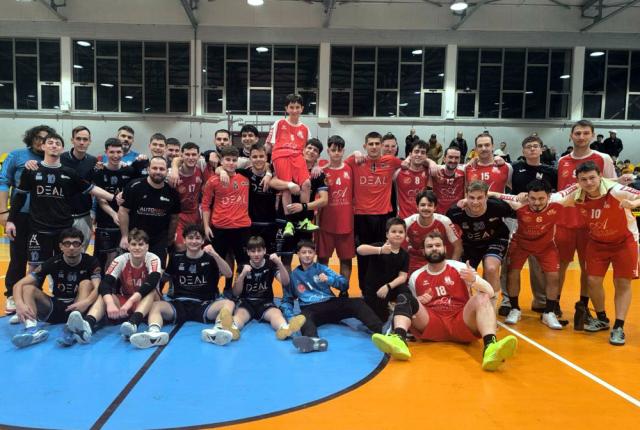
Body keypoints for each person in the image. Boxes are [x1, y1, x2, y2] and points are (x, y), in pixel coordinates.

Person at [370, 231, 518, 371]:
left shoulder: (460, 268)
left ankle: (490, 347)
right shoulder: (416, 276)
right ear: (423, 251)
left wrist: (474, 280)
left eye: (437, 245)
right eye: (429, 246)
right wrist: (419, 300)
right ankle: (399, 339)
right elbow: (414, 309)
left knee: (482, 296)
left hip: (461, 321)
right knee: (405, 297)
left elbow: (490, 292)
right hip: (432, 324)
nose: (434, 248)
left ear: (445, 248)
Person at [5, 133, 115, 269]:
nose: (54, 146)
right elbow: (20, 197)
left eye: (58, 144)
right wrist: (10, 220)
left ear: (62, 149)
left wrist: (114, 197)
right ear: (43, 146)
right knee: (35, 270)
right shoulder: (31, 170)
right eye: (50, 143)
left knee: (64, 268)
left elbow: (91, 188)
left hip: (63, 230)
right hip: (38, 230)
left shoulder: (69, 173)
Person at [128, 224, 237, 348]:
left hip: (205, 304)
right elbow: (165, 278)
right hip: (179, 303)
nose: (194, 241)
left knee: (229, 303)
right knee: (155, 305)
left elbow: (228, 274)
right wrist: (156, 274)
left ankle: (218, 330)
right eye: (190, 238)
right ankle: (154, 333)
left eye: (197, 238)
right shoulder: (176, 257)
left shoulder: (211, 258)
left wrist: (215, 254)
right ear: (184, 240)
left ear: (203, 241)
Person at [555, 120, 618, 330]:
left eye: (585, 133)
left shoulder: (603, 159)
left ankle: (582, 306)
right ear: (571, 135)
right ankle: (554, 305)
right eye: (577, 133)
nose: (581, 137)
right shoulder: (563, 161)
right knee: (559, 266)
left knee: (587, 269)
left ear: (592, 135)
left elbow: (612, 188)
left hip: (591, 224)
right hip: (564, 223)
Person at [568, 161, 640, 345]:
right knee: (592, 281)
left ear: (600, 176)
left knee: (622, 283)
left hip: (624, 242)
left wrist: (633, 203)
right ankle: (602, 319)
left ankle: (619, 326)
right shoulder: (576, 194)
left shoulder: (616, 190)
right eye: (584, 179)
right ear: (578, 181)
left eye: (592, 178)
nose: (589, 182)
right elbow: (552, 198)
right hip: (597, 243)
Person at [489, 181, 567, 330]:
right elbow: (498, 195)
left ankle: (549, 312)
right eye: (533, 198)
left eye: (541, 199)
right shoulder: (519, 203)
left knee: (553, 276)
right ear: (527, 196)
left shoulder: (558, 200)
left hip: (546, 245)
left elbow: (577, 186)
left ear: (549, 196)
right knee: (512, 273)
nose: (536, 203)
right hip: (520, 244)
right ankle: (515, 309)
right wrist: (471, 198)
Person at [281, 240, 383, 353]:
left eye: (310, 252)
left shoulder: (322, 268)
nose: (307, 255)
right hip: (311, 308)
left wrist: (330, 280)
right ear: (298, 254)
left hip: (330, 303)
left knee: (357, 303)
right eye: (304, 252)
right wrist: (290, 317)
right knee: (302, 318)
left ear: (315, 254)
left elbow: (344, 285)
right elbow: (287, 299)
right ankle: (313, 341)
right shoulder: (293, 276)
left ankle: (383, 331)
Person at [66, 229, 163, 343]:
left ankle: (133, 323)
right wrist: (110, 303)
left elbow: (152, 281)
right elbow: (105, 283)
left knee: (151, 291)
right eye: (133, 244)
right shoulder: (121, 259)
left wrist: (131, 301)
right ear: (128, 246)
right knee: (105, 295)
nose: (137, 248)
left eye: (141, 244)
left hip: (147, 303)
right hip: (125, 301)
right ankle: (87, 325)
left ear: (147, 247)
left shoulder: (153, 258)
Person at [10, 228, 101, 348]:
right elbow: (18, 285)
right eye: (67, 243)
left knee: (86, 283)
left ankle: (72, 328)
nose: (71, 247)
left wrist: (87, 302)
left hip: (79, 308)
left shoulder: (91, 261)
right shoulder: (53, 262)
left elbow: (98, 287)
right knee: (28, 288)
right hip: (56, 307)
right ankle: (32, 329)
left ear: (81, 246)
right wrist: (19, 304)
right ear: (61, 246)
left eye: (76, 243)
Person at [0, 124, 51, 314]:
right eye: (38, 137)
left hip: (43, 216)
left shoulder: (51, 158)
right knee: (18, 256)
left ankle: (33, 293)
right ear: (31, 138)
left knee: (40, 257)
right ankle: (12, 295)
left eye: (45, 139)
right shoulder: (17, 155)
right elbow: (3, 182)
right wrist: (3, 212)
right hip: (20, 214)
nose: (41, 141)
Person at [345, 132, 403, 293]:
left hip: (384, 216)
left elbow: (411, 163)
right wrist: (354, 153)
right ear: (365, 146)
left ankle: (382, 290)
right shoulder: (356, 161)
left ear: (382, 146)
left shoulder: (391, 161)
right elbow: (337, 164)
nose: (374, 147)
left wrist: (431, 162)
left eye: (377, 143)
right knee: (363, 255)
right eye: (371, 144)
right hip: (361, 216)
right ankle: (365, 290)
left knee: (384, 253)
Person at [510, 135, 558, 313]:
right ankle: (508, 301)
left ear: (541, 149)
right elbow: (507, 189)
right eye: (528, 146)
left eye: (535, 146)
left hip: (541, 221)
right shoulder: (514, 168)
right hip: (516, 219)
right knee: (511, 265)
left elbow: (556, 194)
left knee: (539, 266)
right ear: (523, 150)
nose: (532, 149)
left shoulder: (551, 171)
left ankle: (541, 301)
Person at [447, 180, 515, 305]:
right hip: (469, 245)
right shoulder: (455, 212)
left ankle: (491, 307)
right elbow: (448, 232)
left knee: (491, 268)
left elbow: (519, 212)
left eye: (480, 198)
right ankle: (465, 305)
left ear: (486, 197)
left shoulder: (497, 206)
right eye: (471, 197)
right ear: (466, 196)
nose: (475, 202)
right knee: (463, 273)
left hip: (495, 240)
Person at [229, 236, 306, 341]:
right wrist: (242, 275)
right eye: (253, 251)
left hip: (265, 302)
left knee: (276, 314)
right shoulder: (242, 266)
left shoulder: (270, 264)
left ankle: (284, 329)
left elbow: (285, 282)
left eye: (259, 251)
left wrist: (279, 263)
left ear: (264, 251)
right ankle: (232, 330)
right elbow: (236, 293)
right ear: (248, 252)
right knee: (239, 316)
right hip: (247, 302)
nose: (256, 254)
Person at [269, 138, 328, 271]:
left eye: (315, 150)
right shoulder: (289, 165)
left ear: (318, 156)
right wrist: (288, 184)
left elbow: (324, 200)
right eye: (309, 148)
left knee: (306, 259)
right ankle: (288, 286)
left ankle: (304, 284)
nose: (311, 151)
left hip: (304, 222)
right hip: (285, 220)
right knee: (286, 259)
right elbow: (272, 182)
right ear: (303, 150)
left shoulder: (318, 174)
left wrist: (304, 207)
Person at [202, 145, 251, 297]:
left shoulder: (245, 178)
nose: (231, 163)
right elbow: (205, 205)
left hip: (241, 228)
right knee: (216, 261)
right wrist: (206, 226)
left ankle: (234, 290)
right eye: (227, 160)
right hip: (219, 228)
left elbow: (265, 167)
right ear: (221, 161)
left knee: (242, 262)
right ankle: (212, 290)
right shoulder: (213, 181)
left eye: (234, 160)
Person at [266, 93, 317, 236]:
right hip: (281, 155)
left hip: (298, 156)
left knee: (306, 184)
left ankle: (304, 220)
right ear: (286, 108)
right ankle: (289, 223)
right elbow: (269, 145)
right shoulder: (279, 123)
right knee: (287, 188)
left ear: (302, 109)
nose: (294, 110)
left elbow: (310, 149)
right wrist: (268, 168)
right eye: (291, 107)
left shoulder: (305, 129)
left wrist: (316, 164)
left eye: (297, 107)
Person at [119, 156, 181, 266]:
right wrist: (124, 236)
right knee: (132, 271)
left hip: (159, 240)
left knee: (157, 271)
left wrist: (170, 239)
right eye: (154, 168)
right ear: (148, 169)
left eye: (162, 169)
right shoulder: (134, 186)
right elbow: (123, 211)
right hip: (135, 238)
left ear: (167, 171)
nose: (158, 171)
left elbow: (174, 218)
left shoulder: (172, 193)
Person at [92, 139, 141, 272]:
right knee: (103, 259)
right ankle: (103, 282)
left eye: (118, 152)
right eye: (112, 152)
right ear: (106, 152)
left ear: (123, 153)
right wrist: (114, 214)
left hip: (125, 222)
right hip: (105, 221)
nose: (115, 155)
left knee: (122, 257)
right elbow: (100, 199)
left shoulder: (129, 171)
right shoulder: (99, 171)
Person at [356, 217, 410, 321]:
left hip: (390, 288)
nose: (397, 234)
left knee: (405, 290)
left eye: (401, 232)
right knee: (380, 319)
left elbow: (402, 277)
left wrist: (388, 286)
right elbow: (359, 250)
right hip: (374, 290)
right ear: (387, 234)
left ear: (405, 235)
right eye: (393, 231)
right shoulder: (379, 246)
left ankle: (402, 310)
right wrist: (380, 250)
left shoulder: (405, 255)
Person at [317, 135, 355, 281]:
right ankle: (322, 289)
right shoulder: (321, 171)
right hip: (326, 224)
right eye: (333, 150)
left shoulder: (350, 169)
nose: (336, 153)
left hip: (346, 225)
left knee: (345, 260)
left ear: (343, 151)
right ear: (328, 151)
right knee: (322, 259)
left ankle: (344, 290)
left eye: (339, 150)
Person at [404, 190, 461, 275]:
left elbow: (458, 246)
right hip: (416, 261)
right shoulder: (407, 222)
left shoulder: (445, 221)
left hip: (439, 259)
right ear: (417, 207)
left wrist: (452, 266)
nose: (426, 208)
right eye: (423, 205)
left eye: (430, 205)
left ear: (435, 208)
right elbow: (395, 244)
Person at [60, 126, 98, 251]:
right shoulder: (61, 158)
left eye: (85, 139)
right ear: (72, 140)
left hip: (84, 216)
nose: (82, 142)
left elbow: (94, 188)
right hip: (62, 216)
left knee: (81, 252)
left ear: (89, 141)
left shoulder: (93, 161)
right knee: (61, 253)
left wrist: (93, 212)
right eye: (78, 139)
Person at [171, 142, 209, 252]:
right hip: (179, 216)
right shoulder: (173, 174)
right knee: (180, 247)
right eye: (187, 154)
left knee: (198, 247)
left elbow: (216, 159)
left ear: (198, 155)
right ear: (181, 155)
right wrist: (174, 168)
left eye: (194, 154)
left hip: (196, 214)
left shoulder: (201, 167)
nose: (191, 157)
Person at [394, 140, 428, 219]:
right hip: (403, 219)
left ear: (426, 156)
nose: (419, 155)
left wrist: (431, 163)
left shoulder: (430, 172)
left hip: (423, 219)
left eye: (423, 153)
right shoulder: (398, 172)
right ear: (410, 154)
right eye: (416, 151)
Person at [429, 146, 466, 215]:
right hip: (438, 214)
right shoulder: (436, 170)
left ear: (459, 160)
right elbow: (421, 160)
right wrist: (431, 162)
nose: (453, 160)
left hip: (457, 214)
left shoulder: (464, 171)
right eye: (450, 157)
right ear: (444, 159)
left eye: (456, 158)